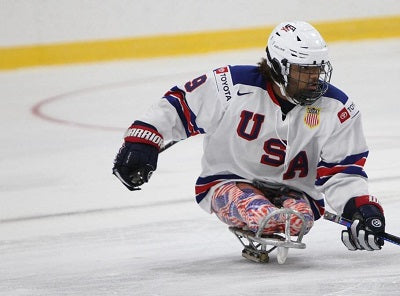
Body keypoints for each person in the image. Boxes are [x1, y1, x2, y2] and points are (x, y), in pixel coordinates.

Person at [112, 21, 385, 251]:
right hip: (228, 183)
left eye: (317, 69)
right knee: (262, 214)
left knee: (296, 220)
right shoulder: (230, 86)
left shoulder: (338, 109)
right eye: (304, 70)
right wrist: (142, 142)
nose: (314, 78)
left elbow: (342, 171)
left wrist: (359, 207)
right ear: (279, 67)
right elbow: (179, 106)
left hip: (296, 191)